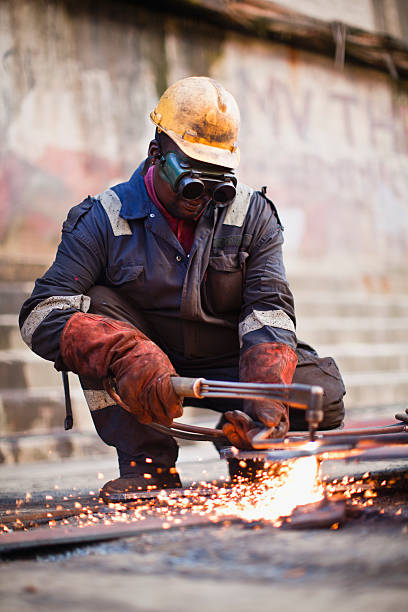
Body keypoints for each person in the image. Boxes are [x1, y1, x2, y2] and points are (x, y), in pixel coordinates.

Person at [19, 76, 345, 501]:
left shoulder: (253, 216)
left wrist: (267, 401)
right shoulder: (104, 217)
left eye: (216, 179)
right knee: (92, 312)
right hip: (146, 369)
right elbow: (41, 313)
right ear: (156, 153)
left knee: (324, 396)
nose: (203, 195)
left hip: (231, 364)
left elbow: (269, 312)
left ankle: (254, 454)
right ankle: (147, 465)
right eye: (191, 177)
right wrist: (124, 352)